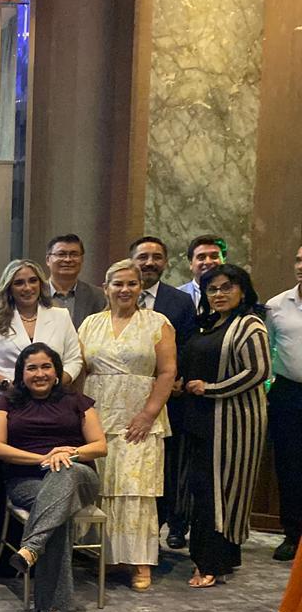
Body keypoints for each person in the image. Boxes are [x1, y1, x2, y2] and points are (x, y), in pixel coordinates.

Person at [0, 343, 107, 612]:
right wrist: (44, 458)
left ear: (56, 371)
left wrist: (68, 454)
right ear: (21, 373)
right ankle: (51, 607)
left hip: (78, 477)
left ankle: (31, 547)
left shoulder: (76, 400)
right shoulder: (7, 401)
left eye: (46, 367)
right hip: (25, 481)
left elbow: (100, 446)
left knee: (63, 471)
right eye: (31, 368)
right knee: (57, 513)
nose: (39, 373)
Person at [77, 259, 176, 591]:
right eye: (117, 284)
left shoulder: (157, 323)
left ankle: (140, 562)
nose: (125, 290)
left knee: (136, 488)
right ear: (106, 288)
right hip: (98, 414)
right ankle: (107, 556)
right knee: (103, 485)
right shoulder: (90, 324)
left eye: (131, 284)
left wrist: (148, 413)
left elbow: (167, 372)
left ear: (140, 288)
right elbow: (80, 370)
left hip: (140, 418)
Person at [177, 264, 270, 587]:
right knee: (203, 489)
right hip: (201, 420)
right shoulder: (208, 324)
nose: (219, 294)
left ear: (243, 291)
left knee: (220, 491)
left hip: (233, 425)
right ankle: (219, 558)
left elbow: (258, 371)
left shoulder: (250, 325)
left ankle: (211, 563)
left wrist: (212, 389)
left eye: (227, 287)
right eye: (212, 289)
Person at [129, 235, 198, 549]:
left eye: (156, 257)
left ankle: (167, 526)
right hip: (125, 396)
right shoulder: (118, 295)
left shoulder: (179, 301)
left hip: (171, 397)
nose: (149, 263)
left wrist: (179, 378)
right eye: (143, 257)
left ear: (166, 262)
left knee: (166, 466)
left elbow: (188, 346)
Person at [0, 260, 82, 408]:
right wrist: (7, 384)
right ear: (9, 288)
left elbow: (74, 360)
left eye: (33, 281)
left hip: (53, 400)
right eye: (19, 283)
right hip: (5, 399)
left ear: (41, 284)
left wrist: (52, 384)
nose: (28, 287)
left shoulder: (61, 316)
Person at [265, 245, 302, 561]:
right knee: (289, 466)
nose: (301, 266)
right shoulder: (276, 305)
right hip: (288, 392)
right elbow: (266, 351)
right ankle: (293, 534)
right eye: (299, 260)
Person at [46, 234, 107, 328]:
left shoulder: (98, 296)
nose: (68, 259)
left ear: (82, 259)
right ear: (48, 260)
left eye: (74, 254)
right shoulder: (36, 294)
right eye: (61, 254)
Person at [181, 235, 226, 305]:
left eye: (214, 256)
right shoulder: (174, 296)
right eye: (201, 257)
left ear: (224, 261)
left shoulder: (237, 294)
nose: (208, 262)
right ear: (191, 264)